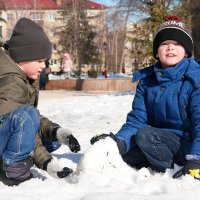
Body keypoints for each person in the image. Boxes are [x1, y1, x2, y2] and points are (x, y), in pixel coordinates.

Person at [90, 16, 200, 180]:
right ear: (156, 52)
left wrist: (196, 160)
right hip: (159, 141)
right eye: (164, 43)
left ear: (186, 51)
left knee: (145, 136)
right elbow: (137, 120)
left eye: (177, 43)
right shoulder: (147, 82)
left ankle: (179, 167)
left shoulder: (195, 78)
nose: (170, 47)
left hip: (189, 145)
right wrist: (118, 143)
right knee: (121, 152)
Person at [0, 18, 81, 186]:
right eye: (39, 60)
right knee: (27, 117)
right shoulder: (11, 82)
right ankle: (12, 169)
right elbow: (25, 120)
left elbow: (28, 119)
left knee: (51, 141)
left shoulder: (21, 76)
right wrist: (47, 163)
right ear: (23, 57)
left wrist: (56, 132)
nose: (44, 66)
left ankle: (16, 159)